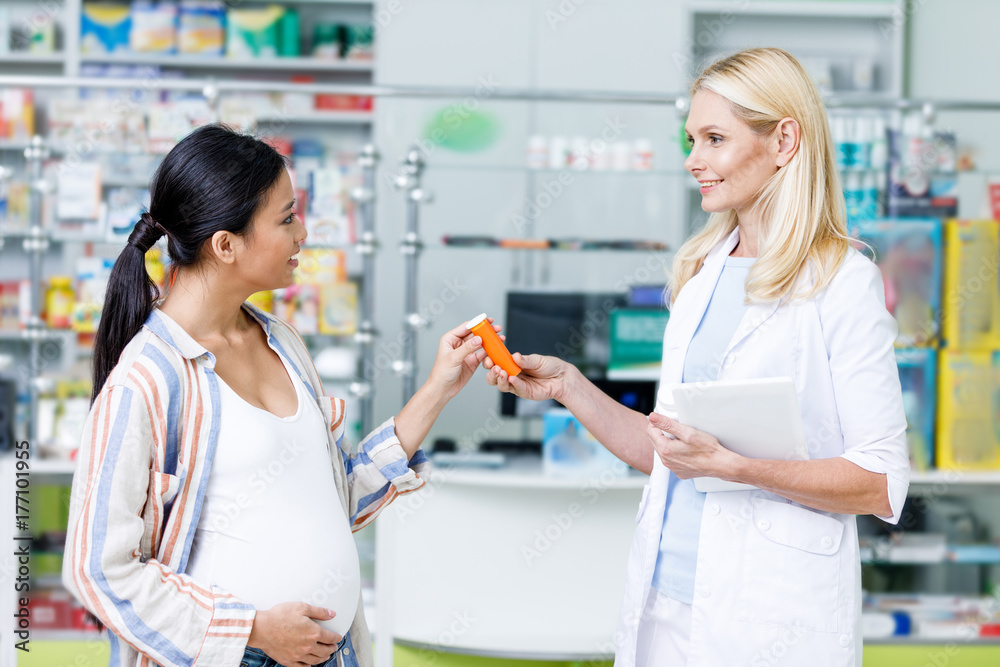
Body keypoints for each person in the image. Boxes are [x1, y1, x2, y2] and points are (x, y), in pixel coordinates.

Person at [485, 47, 909, 666]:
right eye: (691, 139)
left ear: (784, 139)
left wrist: (737, 467)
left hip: (769, 614)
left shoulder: (842, 281)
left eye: (714, 138)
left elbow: (879, 482)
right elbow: (670, 453)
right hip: (664, 601)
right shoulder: (701, 272)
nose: (694, 161)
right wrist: (568, 387)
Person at [63, 124, 492, 667]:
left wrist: (438, 389)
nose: (303, 233)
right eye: (286, 217)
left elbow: (335, 497)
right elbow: (98, 568)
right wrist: (254, 631)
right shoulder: (148, 379)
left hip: (332, 655)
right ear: (226, 245)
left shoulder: (282, 343)